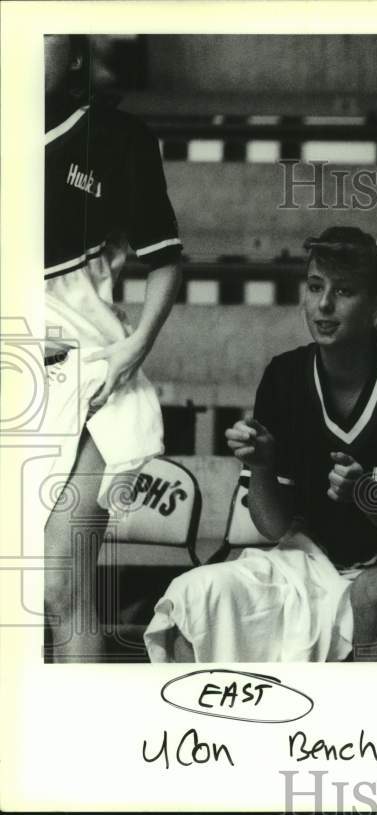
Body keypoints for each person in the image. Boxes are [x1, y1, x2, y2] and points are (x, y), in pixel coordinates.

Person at [144, 227, 377, 662]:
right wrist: (263, 465)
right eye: (315, 286)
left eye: (344, 291)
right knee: (195, 596)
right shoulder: (284, 377)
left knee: (373, 595)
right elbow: (272, 525)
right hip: (309, 560)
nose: (324, 305)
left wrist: (370, 497)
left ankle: (365, 732)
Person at [43, 34, 183, 662]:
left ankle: (84, 748)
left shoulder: (119, 138)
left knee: (59, 584)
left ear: (73, 55)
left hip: (95, 377)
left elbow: (165, 261)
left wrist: (136, 349)